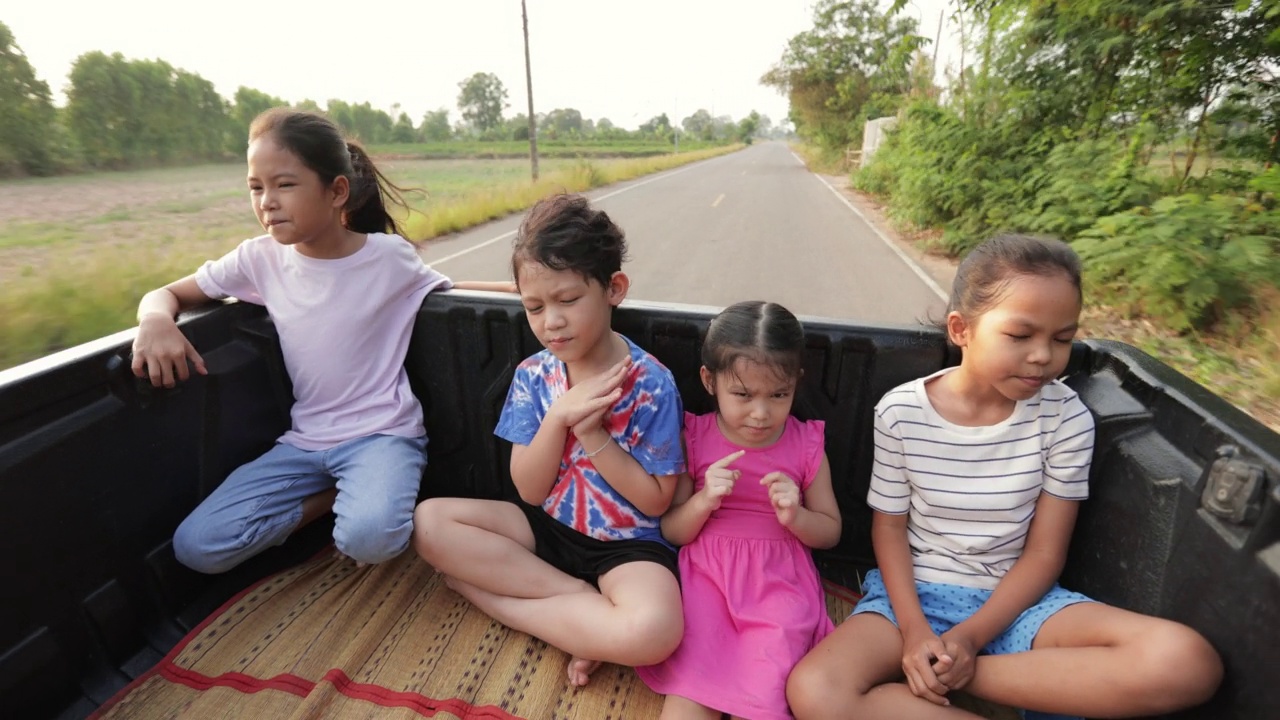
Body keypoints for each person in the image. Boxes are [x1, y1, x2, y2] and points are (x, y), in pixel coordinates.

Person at [786, 234, 1224, 720]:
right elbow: (888, 529)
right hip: (911, 598)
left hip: (1015, 600)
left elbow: (1043, 553)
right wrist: (915, 633)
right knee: (814, 689)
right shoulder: (901, 412)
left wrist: (967, 646)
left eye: (1062, 339)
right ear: (961, 329)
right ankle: (986, 678)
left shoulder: (1065, 418)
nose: (1043, 356)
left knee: (1186, 662)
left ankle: (955, 678)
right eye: (1021, 336)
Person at [131, 108, 512, 575]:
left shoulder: (388, 258)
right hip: (304, 443)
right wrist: (154, 319)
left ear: (336, 191)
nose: (267, 201)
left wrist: (536, 293)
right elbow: (168, 293)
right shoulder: (258, 260)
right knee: (198, 546)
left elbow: (454, 291)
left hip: (381, 435)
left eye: (284, 184)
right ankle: (338, 496)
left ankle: (369, 495)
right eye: (256, 187)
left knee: (370, 540)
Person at [412, 192, 687, 687]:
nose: (551, 322)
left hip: (626, 545)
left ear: (614, 288)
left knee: (656, 631)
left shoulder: (651, 383)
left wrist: (592, 432)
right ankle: (583, 613)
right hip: (546, 526)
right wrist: (558, 417)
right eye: (534, 307)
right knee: (430, 522)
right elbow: (531, 491)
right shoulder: (534, 376)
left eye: (567, 300)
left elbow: (658, 501)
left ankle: (503, 603)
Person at [636, 301, 843, 720]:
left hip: (778, 584)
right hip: (707, 582)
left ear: (796, 384)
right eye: (743, 395)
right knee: (693, 688)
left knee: (766, 691)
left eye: (779, 395)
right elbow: (673, 530)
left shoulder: (804, 445)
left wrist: (797, 517)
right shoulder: (693, 436)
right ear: (709, 381)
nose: (761, 413)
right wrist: (703, 501)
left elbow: (832, 531)